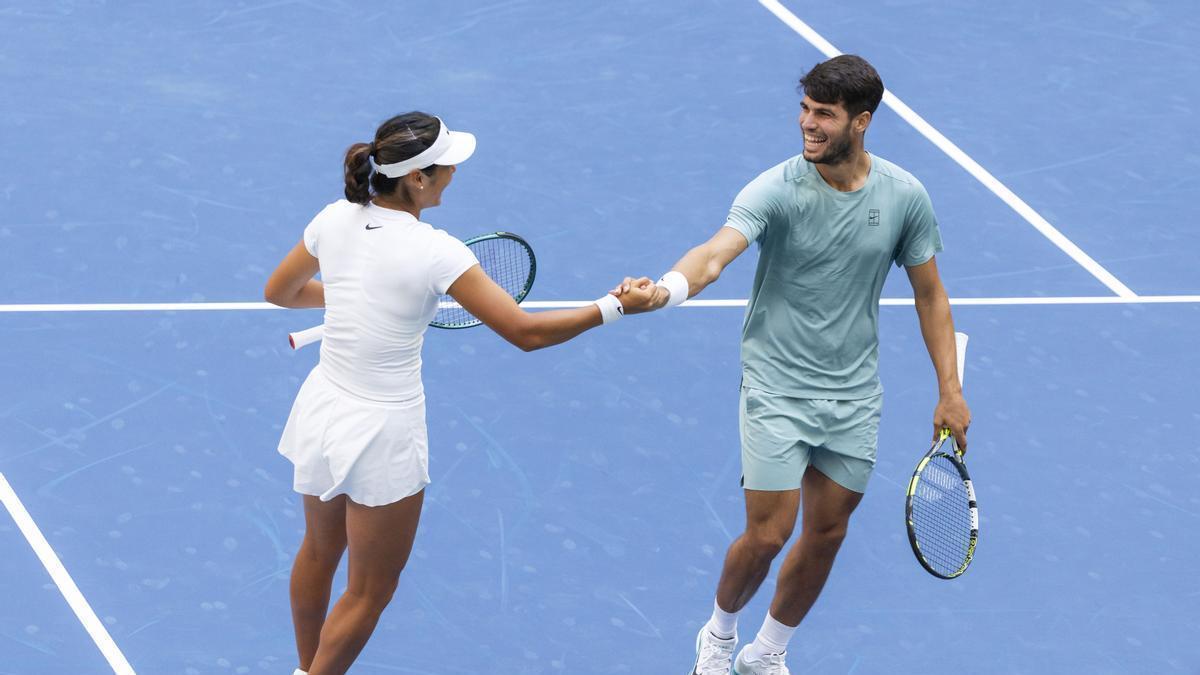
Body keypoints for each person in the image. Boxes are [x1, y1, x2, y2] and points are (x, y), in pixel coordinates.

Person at [614, 55, 971, 674]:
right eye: (805, 109)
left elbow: (930, 294)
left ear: (860, 123)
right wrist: (667, 290)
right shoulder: (775, 188)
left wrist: (950, 389)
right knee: (770, 533)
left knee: (829, 532)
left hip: (854, 393)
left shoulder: (904, 196)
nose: (808, 124)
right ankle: (720, 635)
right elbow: (714, 254)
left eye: (823, 115)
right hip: (777, 386)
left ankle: (768, 651)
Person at [263, 111, 649, 675]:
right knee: (370, 590)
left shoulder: (334, 219)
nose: (453, 176)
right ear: (418, 178)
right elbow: (527, 333)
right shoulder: (436, 251)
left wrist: (355, 296)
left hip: (323, 407)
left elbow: (281, 291)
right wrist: (615, 308)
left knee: (319, 552)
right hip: (382, 434)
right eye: (447, 168)